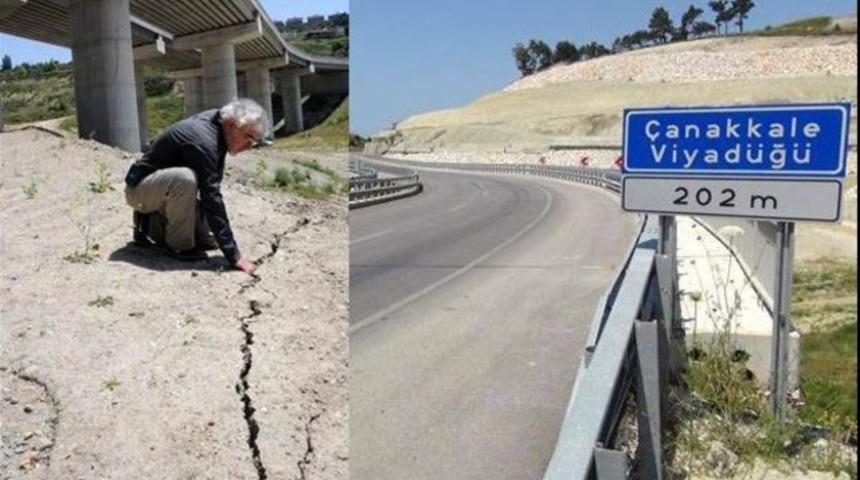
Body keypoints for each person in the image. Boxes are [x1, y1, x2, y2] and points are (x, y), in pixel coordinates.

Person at [124, 98, 266, 276]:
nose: (250, 146)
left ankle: (148, 223)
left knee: (207, 239)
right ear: (232, 125)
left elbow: (211, 190)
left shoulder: (219, 126)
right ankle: (180, 247)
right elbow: (211, 196)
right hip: (140, 191)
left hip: (162, 191)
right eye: (249, 137)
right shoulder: (204, 139)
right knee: (186, 179)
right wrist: (234, 256)